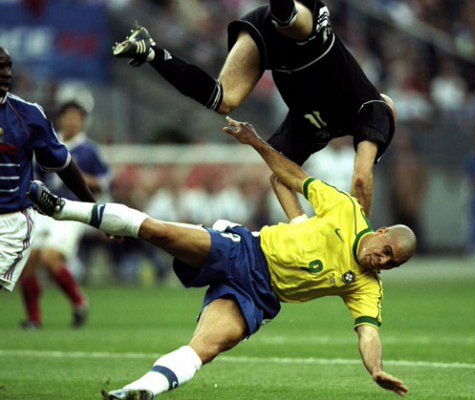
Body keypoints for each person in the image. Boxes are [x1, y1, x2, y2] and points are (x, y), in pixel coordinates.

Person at [28, 117, 416, 400]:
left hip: (260, 297)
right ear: (381, 232)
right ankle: (63, 208)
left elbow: (368, 333)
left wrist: (376, 368)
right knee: (160, 232)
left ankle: (136, 390)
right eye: (387, 251)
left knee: (206, 348)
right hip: (243, 250)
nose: (382, 261)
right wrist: (256, 143)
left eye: (391, 263)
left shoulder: (366, 287)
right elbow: (292, 176)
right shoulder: (346, 210)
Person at [112, 0, 397, 217]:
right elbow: (360, 179)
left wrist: (301, 228)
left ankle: (149, 50)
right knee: (291, 22)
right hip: (307, 37)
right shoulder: (373, 110)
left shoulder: (313, 130)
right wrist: (361, 237)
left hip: (268, 41)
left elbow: (280, 177)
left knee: (222, 99)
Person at [0, 47, 96, 293]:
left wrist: (95, 211)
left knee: (48, 258)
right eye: (1, 66)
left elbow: (63, 165)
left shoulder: (27, 115)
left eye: (9, 66)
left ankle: (76, 302)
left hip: (10, 221)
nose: (7, 73)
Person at [19, 100, 111, 329]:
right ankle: (34, 319)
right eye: (68, 116)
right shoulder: (48, 143)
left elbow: (106, 181)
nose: (72, 121)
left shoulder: (89, 149)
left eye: (77, 117)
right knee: (28, 260)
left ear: (83, 122)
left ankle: (79, 302)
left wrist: (77, 176)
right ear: (60, 119)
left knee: (50, 258)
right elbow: (35, 175)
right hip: (42, 209)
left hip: (73, 210)